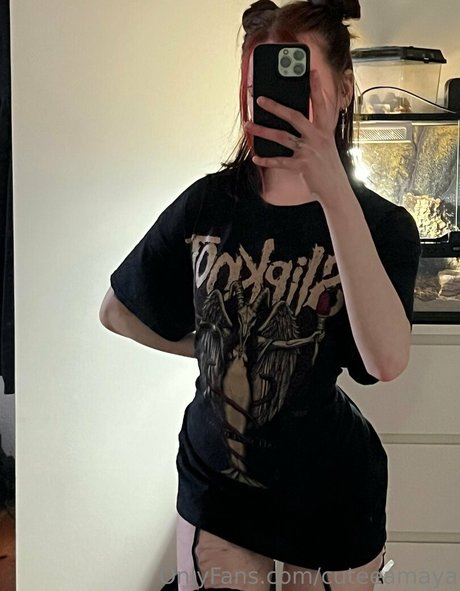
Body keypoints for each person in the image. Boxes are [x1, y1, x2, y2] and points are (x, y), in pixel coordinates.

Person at [100, 1, 421, 589]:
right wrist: (212, 349)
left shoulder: (383, 225)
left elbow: (386, 361)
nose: (276, 104)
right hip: (216, 489)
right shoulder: (208, 204)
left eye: (300, 84)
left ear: (344, 88)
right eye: (259, 89)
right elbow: (117, 311)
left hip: (331, 496)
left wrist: (334, 193)